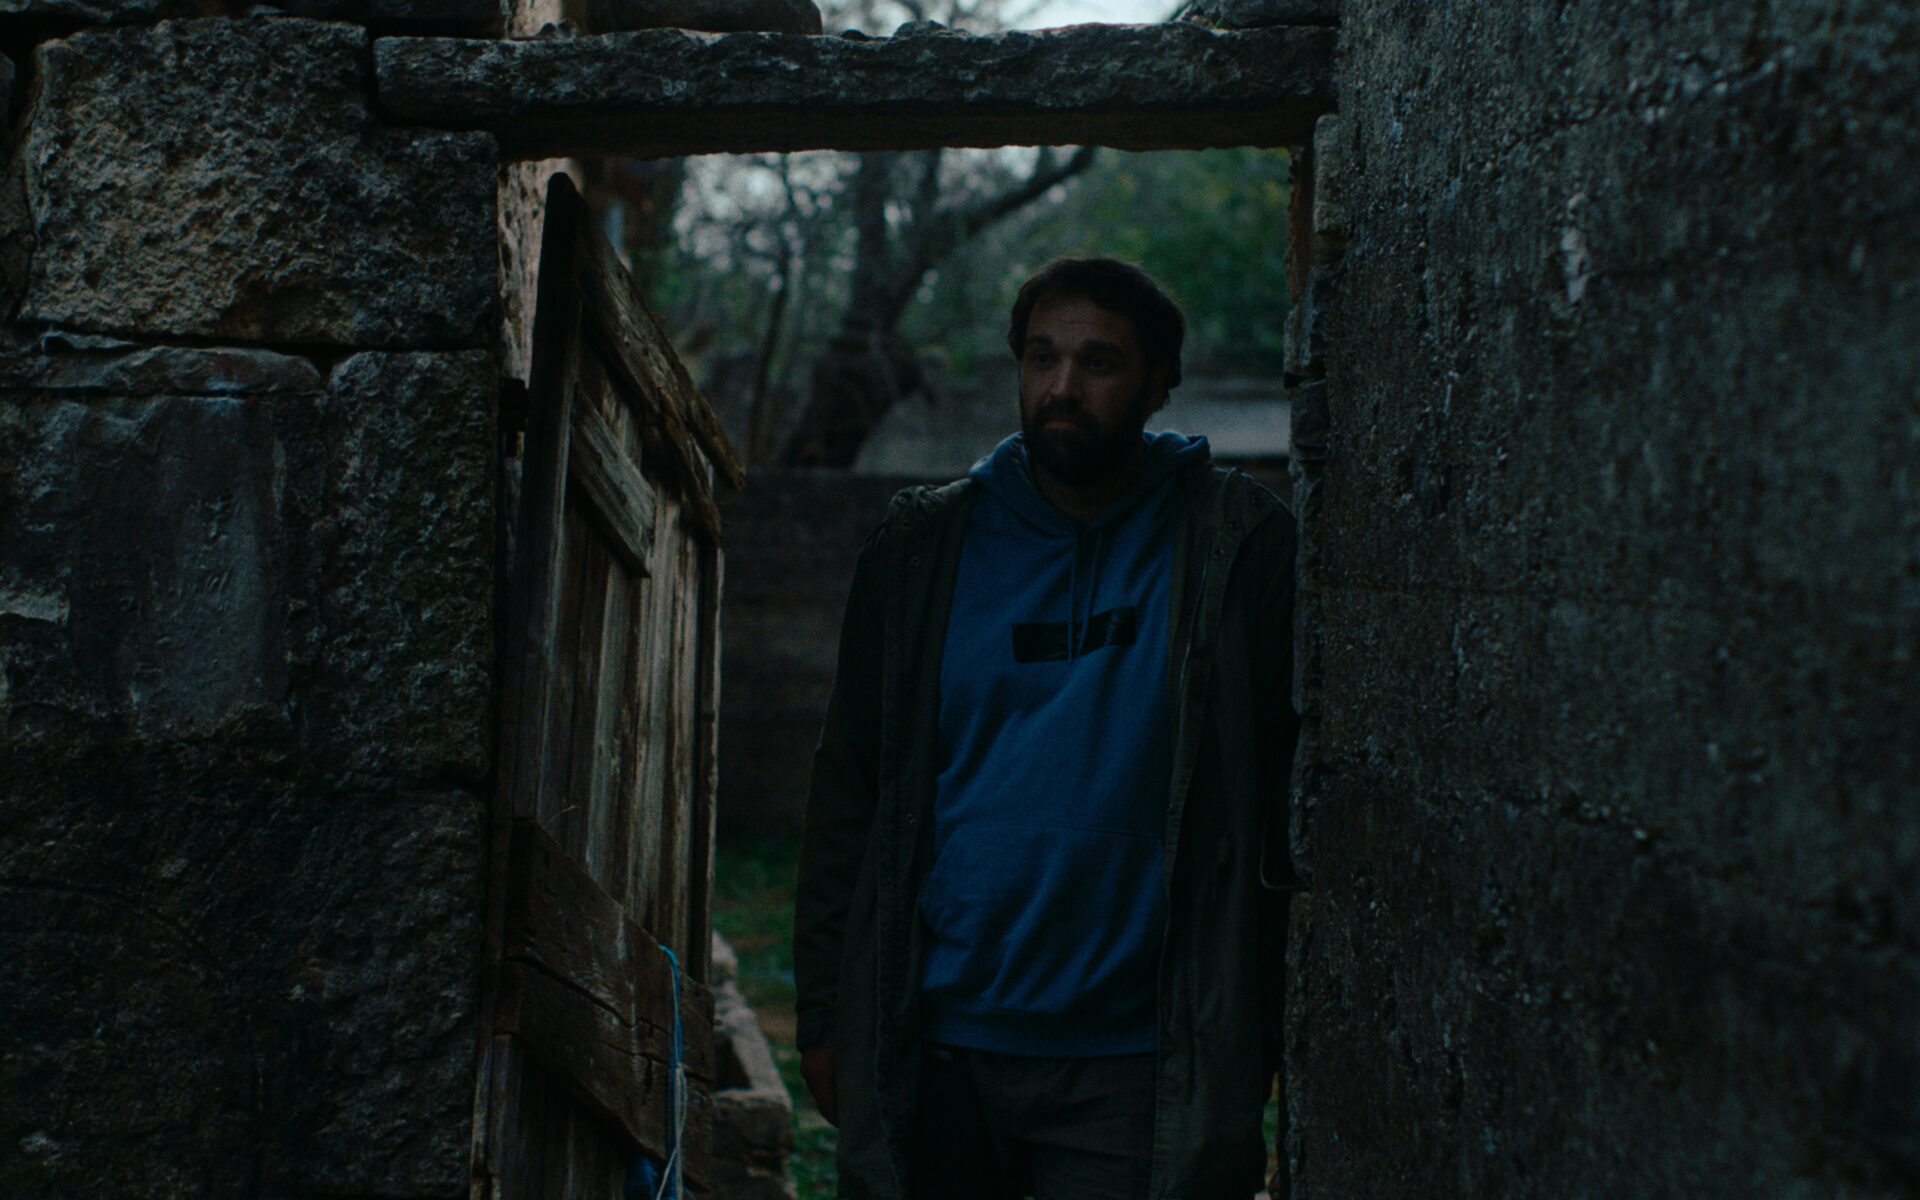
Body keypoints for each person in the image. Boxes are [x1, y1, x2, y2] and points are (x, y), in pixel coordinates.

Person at [793, 257, 1300, 1200]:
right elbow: (850, 789)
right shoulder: (922, 549)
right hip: (938, 1041)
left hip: (1138, 1060)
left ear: (1159, 382)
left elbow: (1281, 795)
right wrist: (824, 1013)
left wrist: (1259, 1027)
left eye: (1099, 362)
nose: (1063, 387)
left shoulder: (1236, 547)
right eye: (1041, 358)